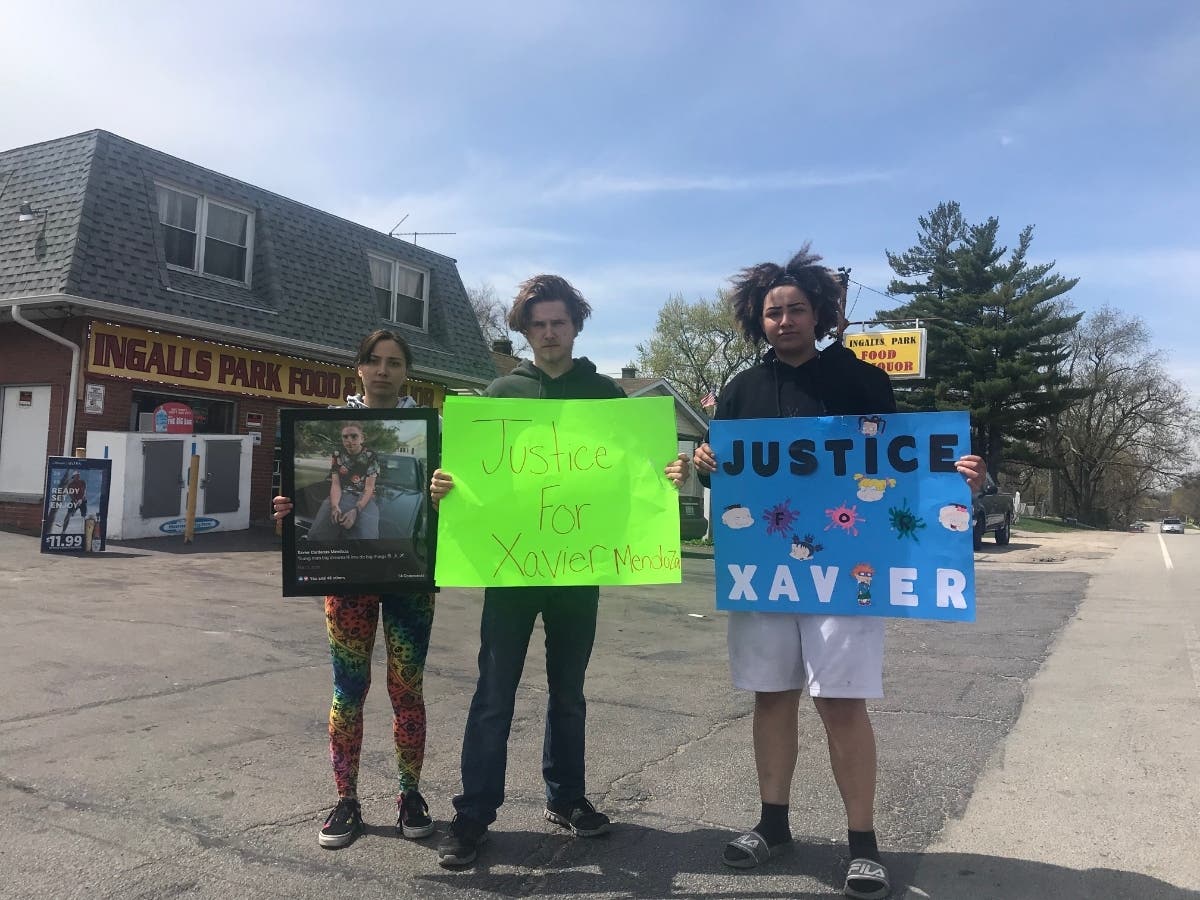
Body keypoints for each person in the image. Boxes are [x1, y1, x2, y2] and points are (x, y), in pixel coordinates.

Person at [692, 246, 985, 900]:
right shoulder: (741, 390)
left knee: (840, 702)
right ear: (757, 319)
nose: (786, 319)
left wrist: (960, 477)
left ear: (819, 313)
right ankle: (772, 826)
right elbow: (727, 475)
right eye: (774, 311)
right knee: (771, 696)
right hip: (765, 572)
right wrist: (706, 461)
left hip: (847, 571)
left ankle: (863, 844)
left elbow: (905, 466)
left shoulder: (859, 382)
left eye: (797, 308)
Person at [429, 274, 690, 868]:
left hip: (578, 570)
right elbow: (467, 478)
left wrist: (667, 477)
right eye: (538, 324)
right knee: (493, 694)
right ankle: (473, 814)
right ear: (524, 330)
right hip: (510, 569)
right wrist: (445, 485)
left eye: (559, 322)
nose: (549, 333)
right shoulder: (498, 394)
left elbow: (634, 475)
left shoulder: (604, 395)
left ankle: (566, 797)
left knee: (568, 694)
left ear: (575, 326)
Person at [273, 329, 438, 850]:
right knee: (348, 691)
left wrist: (445, 492)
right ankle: (346, 799)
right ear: (359, 368)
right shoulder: (331, 427)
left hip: (409, 580)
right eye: (375, 361)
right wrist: (287, 514)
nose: (384, 370)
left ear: (405, 371)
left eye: (394, 362)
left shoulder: (431, 431)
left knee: (406, 689)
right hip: (346, 584)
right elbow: (334, 486)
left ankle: (409, 794)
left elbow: (456, 502)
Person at [306, 421, 380, 541]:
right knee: (315, 534)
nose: (349, 440)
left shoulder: (371, 456)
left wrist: (356, 510)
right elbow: (336, 484)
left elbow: (369, 488)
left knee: (368, 539)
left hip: (365, 498)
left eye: (354, 436)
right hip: (341, 495)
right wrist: (335, 506)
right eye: (345, 436)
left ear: (362, 438)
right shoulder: (337, 454)